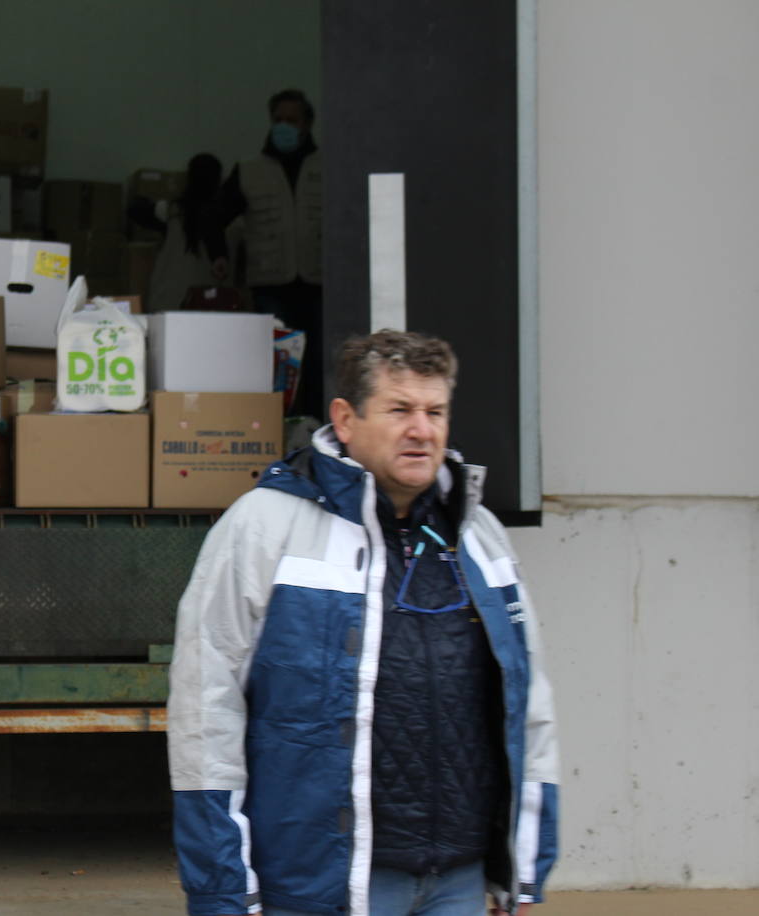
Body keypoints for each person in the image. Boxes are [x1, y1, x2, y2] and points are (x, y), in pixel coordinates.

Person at [168, 330, 559, 916]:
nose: (422, 430)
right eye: (400, 409)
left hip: (459, 882)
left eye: (435, 412)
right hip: (324, 886)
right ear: (345, 420)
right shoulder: (264, 527)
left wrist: (525, 870)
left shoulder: (480, 539)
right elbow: (206, 714)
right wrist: (223, 887)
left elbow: (529, 709)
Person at [205, 88, 323, 417]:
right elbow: (213, 217)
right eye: (278, 119)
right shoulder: (249, 170)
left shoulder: (329, 166)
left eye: (292, 120)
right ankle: (276, 432)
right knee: (276, 369)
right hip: (272, 286)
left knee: (318, 366)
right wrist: (219, 256)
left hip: (319, 284)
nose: (283, 126)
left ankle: (316, 432)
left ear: (308, 124)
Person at [128, 153, 238, 312]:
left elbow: (135, 209)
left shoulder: (173, 211)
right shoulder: (230, 217)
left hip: (168, 300)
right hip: (210, 305)